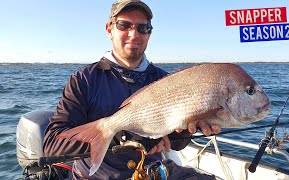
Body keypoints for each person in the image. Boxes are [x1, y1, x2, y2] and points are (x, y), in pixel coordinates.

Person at [43, 0, 221, 179]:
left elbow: (177, 144)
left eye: (143, 28)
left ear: (149, 34)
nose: (134, 34)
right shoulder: (84, 79)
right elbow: (52, 145)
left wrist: (187, 129)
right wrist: (122, 136)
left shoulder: (165, 80)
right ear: (109, 29)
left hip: (154, 173)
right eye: (124, 25)